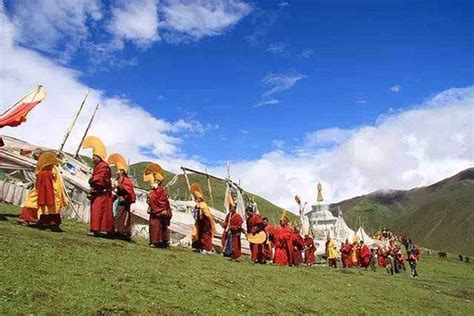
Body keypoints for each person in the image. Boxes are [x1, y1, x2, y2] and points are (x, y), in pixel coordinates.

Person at [18, 151, 68, 231]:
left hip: (51, 190)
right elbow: (37, 174)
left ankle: (52, 224)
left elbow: (55, 180)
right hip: (40, 187)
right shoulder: (41, 166)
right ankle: (26, 218)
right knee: (32, 200)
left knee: (52, 206)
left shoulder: (54, 169)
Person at [82, 136, 114, 237]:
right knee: (96, 211)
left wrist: (92, 179)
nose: (92, 158)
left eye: (94, 157)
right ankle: (95, 228)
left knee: (99, 211)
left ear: (98, 157)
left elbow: (101, 178)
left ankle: (99, 230)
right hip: (97, 192)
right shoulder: (98, 166)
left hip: (102, 194)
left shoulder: (104, 166)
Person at [109, 154, 136, 241]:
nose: (118, 171)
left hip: (125, 201)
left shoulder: (126, 180)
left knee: (122, 216)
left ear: (122, 171)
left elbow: (128, 189)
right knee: (118, 215)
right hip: (119, 200)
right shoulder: (119, 179)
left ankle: (123, 232)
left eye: (119, 170)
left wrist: (119, 186)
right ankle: (118, 231)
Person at [145, 163, 172, 248]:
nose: (155, 182)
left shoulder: (161, 190)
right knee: (153, 226)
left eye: (157, 181)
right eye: (155, 181)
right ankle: (154, 241)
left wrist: (151, 196)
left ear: (159, 182)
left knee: (158, 226)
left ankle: (158, 242)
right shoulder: (153, 190)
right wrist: (149, 196)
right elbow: (151, 200)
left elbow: (163, 201)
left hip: (161, 212)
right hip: (155, 211)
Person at [191, 183, 216, 254]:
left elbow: (207, 214)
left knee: (205, 236)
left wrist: (202, 213)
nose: (196, 200)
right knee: (198, 234)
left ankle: (207, 248)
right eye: (196, 198)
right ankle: (198, 247)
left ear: (200, 198)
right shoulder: (197, 205)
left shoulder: (203, 205)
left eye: (197, 198)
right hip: (199, 222)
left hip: (205, 223)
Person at [221, 195, 243, 262]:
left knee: (235, 246)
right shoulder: (229, 215)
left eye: (232, 208)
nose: (230, 209)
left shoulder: (238, 216)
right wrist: (224, 224)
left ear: (235, 209)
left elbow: (239, 226)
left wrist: (232, 227)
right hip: (229, 232)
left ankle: (235, 257)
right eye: (230, 208)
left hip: (235, 233)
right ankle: (230, 255)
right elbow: (226, 221)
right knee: (229, 244)